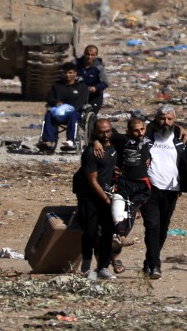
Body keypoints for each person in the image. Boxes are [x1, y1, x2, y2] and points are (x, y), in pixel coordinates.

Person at [139, 104, 187, 279]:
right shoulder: (146, 134)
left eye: (169, 119)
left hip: (172, 189)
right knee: (152, 226)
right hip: (149, 188)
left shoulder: (180, 138)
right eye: (162, 118)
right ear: (156, 118)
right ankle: (156, 265)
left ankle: (149, 262)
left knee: (163, 228)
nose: (165, 122)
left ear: (174, 120)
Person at [72, 118, 119, 280]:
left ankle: (103, 267)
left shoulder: (115, 142)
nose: (106, 135)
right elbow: (92, 181)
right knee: (90, 233)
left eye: (108, 131)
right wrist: (106, 200)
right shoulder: (91, 153)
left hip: (108, 195)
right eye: (101, 132)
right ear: (94, 133)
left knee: (107, 234)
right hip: (90, 197)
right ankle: (86, 260)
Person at [109, 116, 153, 274]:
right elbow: (104, 134)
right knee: (117, 212)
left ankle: (117, 246)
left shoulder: (149, 141)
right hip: (122, 183)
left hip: (141, 185)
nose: (140, 133)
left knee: (128, 218)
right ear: (128, 131)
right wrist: (96, 142)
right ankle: (112, 257)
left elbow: (168, 130)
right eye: (136, 130)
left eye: (142, 129)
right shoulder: (122, 140)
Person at [38, 61, 89, 154]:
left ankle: (70, 141)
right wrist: (55, 102)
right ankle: (48, 141)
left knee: (72, 115)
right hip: (59, 112)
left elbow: (82, 102)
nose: (67, 75)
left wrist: (69, 109)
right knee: (49, 114)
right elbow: (49, 98)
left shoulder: (82, 87)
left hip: (75, 112)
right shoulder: (57, 85)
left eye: (70, 73)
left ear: (75, 73)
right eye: (65, 73)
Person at [76, 45, 109, 113]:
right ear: (84, 53)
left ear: (96, 55)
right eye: (88, 54)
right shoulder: (76, 64)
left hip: (94, 96)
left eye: (92, 55)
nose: (89, 57)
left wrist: (95, 88)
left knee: (91, 115)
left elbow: (105, 83)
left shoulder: (99, 67)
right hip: (78, 94)